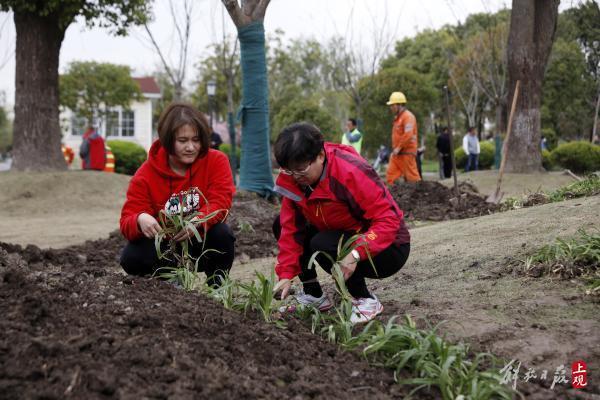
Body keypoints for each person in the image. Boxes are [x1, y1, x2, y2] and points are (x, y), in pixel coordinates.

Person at [272, 122, 411, 324]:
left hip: (388, 248)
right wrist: (286, 274)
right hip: (339, 235)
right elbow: (290, 229)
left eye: (301, 169)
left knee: (323, 242)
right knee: (280, 224)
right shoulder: (294, 180)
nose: (295, 177)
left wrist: (356, 252)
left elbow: (388, 220)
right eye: (289, 171)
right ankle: (314, 296)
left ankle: (364, 299)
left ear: (320, 156)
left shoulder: (349, 171)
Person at [119, 102, 236, 287]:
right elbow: (126, 221)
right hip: (167, 247)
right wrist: (140, 219)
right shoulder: (145, 174)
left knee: (222, 234)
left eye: (196, 140)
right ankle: (171, 284)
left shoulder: (216, 161)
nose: (191, 147)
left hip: (199, 239)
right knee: (131, 256)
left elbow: (220, 201)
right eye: (183, 141)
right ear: (167, 140)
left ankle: (217, 288)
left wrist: (197, 221)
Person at [385, 92, 421, 184]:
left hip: (407, 153)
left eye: (392, 105)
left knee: (412, 178)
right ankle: (393, 196)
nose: (391, 107)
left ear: (399, 105)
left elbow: (408, 135)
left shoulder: (408, 117)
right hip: (397, 153)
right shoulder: (398, 118)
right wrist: (396, 150)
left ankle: (421, 195)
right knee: (390, 176)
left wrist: (398, 148)